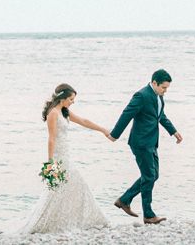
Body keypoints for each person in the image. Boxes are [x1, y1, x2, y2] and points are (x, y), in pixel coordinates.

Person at [18, 83, 110, 234]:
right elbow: (51, 139)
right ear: (62, 98)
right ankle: (46, 223)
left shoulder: (64, 111)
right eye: (71, 99)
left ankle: (69, 221)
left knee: (65, 189)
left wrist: (103, 130)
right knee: (67, 187)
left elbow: (84, 121)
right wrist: (50, 163)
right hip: (59, 157)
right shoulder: (53, 113)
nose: (73, 102)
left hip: (66, 155)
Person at [108, 68, 183, 224]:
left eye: (167, 88)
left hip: (151, 141)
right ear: (154, 83)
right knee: (149, 176)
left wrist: (173, 131)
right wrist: (115, 135)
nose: (165, 91)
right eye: (163, 87)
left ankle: (124, 200)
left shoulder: (158, 96)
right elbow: (126, 113)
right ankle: (148, 215)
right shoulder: (141, 95)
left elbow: (160, 115)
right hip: (140, 142)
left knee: (153, 175)